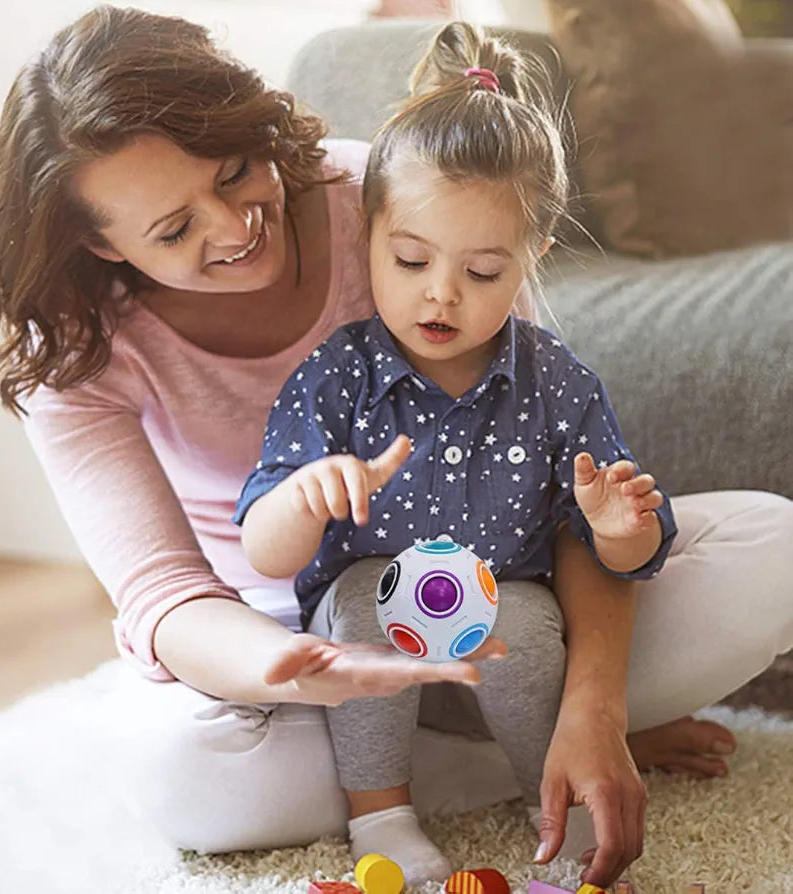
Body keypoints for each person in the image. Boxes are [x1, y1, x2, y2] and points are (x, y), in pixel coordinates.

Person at [0, 5, 793, 889]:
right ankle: (466, 764)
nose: (236, 226)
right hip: (285, 625)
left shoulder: (403, 203)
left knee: (770, 546)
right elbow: (168, 598)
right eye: (174, 231)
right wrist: (292, 669)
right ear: (100, 243)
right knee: (195, 778)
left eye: (237, 171)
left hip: (505, 593)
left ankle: (535, 737)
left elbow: (559, 491)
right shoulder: (74, 354)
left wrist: (595, 702)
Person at [233, 24, 678, 886]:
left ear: (530, 261)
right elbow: (263, 547)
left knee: (534, 627)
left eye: (481, 272)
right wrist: (308, 495)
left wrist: (619, 528)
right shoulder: (338, 375)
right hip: (368, 643)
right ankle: (383, 811)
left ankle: (544, 790)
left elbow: (626, 559)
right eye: (410, 260)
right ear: (369, 238)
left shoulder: (556, 381)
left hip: (501, 624)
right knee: (363, 602)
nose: (440, 292)